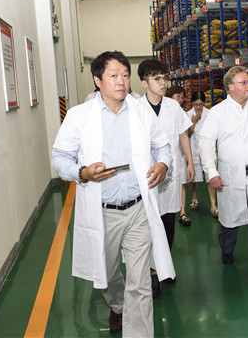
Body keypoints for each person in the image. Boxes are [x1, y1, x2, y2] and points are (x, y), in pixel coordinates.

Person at [51, 51, 174, 337]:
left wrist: (163, 163)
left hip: (138, 208)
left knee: (140, 284)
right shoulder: (80, 116)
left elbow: (162, 146)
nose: (121, 81)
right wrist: (83, 172)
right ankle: (118, 305)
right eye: (114, 75)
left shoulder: (141, 111)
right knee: (105, 274)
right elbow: (59, 158)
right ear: (98, 80)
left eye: (125, 75)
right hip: (102, 210)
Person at [199, 66, 248, 283]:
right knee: (229, 222)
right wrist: (212, 172)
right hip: (230, 176)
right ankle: (227, 250)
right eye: (243, 82)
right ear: (230, 87)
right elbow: (206, 144)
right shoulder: (218, 112)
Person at [138, 60, 195, 238]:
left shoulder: (173, 106)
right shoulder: (136, 108)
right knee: (147, 224)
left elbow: (182, 134)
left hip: (171, 171)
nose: (163, 83)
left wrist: (190, 163)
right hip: (146, 172)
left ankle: (165, 257)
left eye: (165, 78)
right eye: (157, 79)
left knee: (168, 222)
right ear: (145, 83)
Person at [185, 91, 218, 217]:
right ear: (192, 104)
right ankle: (194, 198)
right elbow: (186, 136)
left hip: (208, 151)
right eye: (195, 104)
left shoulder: (210, 115)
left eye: (200, 104)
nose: (198, 107)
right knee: (194, 177)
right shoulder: (188, 115)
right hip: (193, 149)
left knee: (211, 176)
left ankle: (213, 205)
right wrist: (193, 123)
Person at [165, 85, 194, 221]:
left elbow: (185, 135)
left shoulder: (180, 111)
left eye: (182, 97)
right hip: (161, 156)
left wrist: (190, 162)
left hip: (179, 155)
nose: (181, 100)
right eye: (178, 97)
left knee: (181, 183)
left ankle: (182, 211)